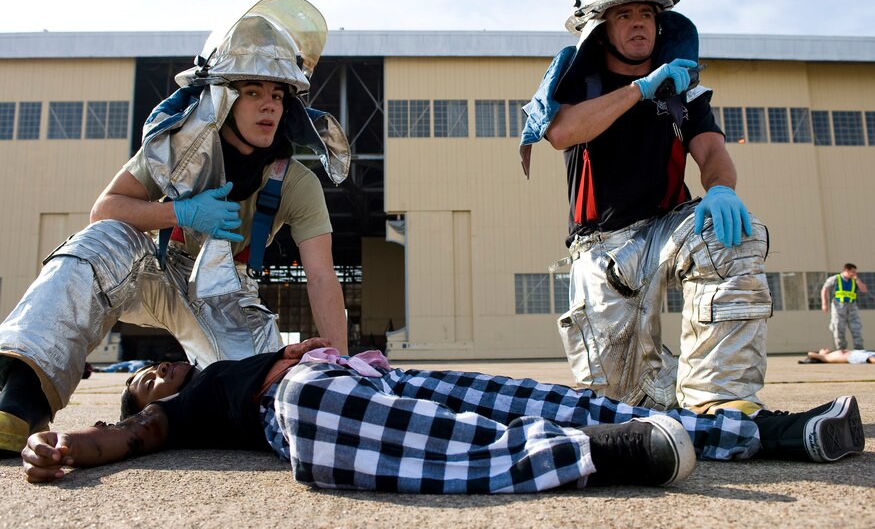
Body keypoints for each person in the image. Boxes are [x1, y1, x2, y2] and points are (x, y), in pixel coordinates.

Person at [0, 0, 352, 456]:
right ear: (223, 97)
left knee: (256, 392)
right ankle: (21, 396)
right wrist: (180, 213)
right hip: (158, 270)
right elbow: (105, 208)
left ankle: (164, 408)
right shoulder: (174, 148)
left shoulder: (295, 180)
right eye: (253, 92)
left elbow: (323, 278)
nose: (269, 106)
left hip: (228, 293)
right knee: (102, 239)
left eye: (278, 94)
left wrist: (343, 370)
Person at [20, 341, 864, 491]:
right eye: (144, 381)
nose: (156, 374)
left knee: (549, 394)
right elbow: (124, 436)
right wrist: (64, 445)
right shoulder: (192, 404)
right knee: (311, 400)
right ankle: (595, 456)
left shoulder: (223, 354)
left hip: (385, 380)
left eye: (158, 367)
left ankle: (774, 432)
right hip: (318, 407)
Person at [519, 0, 771, 415]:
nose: (639, 24)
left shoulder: (683, 87)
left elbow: (712, 151)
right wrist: (640, 90)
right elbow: (560, 133)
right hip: (603, 248)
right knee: (620, 404)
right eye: (625, 14)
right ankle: (668, 389)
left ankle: (721, 402)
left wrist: (721, 189)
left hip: (666, 230)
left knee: (732, 235)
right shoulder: (583, 81)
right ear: (603, 27)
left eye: (648, 15)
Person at [821, 264, 868, 350]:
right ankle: (841, 349)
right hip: (839, 307)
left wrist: (857, 279)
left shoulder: (854, 280)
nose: (854, 274)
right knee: (839, 328)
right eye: (852, 272)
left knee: (856, 328)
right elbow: (824, 289)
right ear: (846, 270)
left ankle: (859, 348)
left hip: (852, 307)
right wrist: (824, 303)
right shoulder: (835, 279)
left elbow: (864, 290)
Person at [799, 348, 875, 365]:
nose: (824, 349)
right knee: (868, 359)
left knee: (869, 356)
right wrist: (821, 353)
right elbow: (810, 353)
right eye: (822, 349)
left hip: (856, 353)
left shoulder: (828, 356)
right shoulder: (825, 357)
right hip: (851, 356)